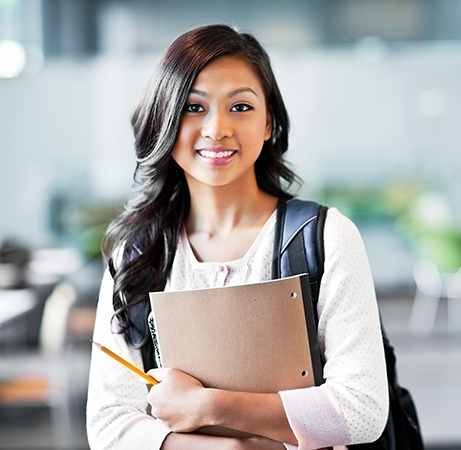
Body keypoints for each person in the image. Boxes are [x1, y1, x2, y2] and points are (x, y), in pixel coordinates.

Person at [86, 23, 388, 450]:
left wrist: (208, 406)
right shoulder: (136, 254)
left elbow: (362, 411)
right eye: (193, 107)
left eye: (241, 107)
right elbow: (107, 424)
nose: (217, 128)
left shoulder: (324, 237)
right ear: (164, 121)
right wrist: (234, 449)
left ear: (269, 123)